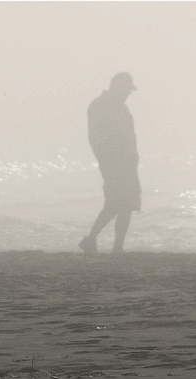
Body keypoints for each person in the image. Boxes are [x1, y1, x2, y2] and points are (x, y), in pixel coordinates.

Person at [80, 72, 140, 255]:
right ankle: (93, 240)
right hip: (115, 164)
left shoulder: (117, 106)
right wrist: (107, 161)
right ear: (117, 87)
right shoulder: (101, 106)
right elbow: (96, 138)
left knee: (126, 204)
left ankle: (115, 247)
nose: (128, 94)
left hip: (125, 163)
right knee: (116, 203)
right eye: (126, 90)